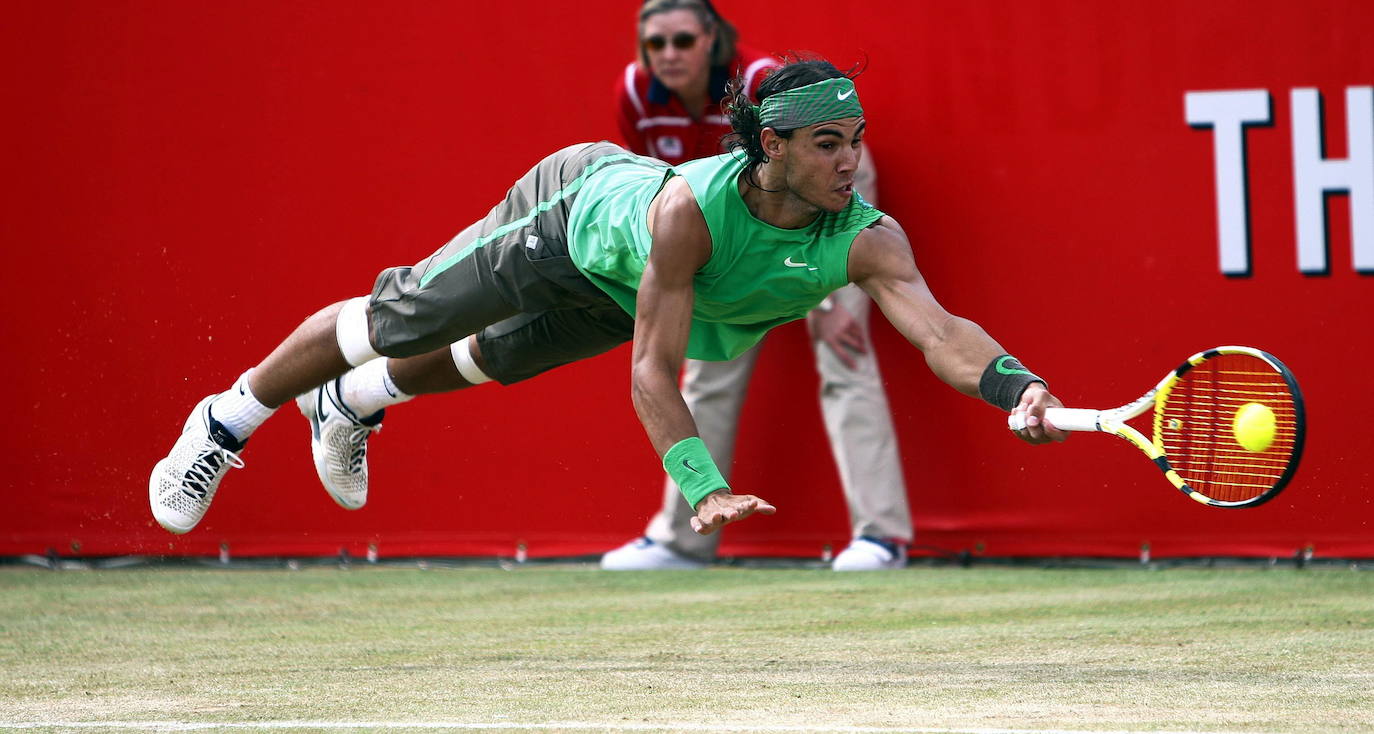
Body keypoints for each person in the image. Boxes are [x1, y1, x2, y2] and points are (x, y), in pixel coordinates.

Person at [148, 58, 1068, 544]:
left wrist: (1014, 387)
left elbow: (943, 335)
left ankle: (346, 407)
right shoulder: (690, 216)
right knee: (404, 321)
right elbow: (653, 373)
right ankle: (224, 422)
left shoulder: (868, 237)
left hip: (622, 283)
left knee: (490, 360)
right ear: (772, 148)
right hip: (575, 216)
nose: (849, 161)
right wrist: (701, 489)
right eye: (828, 144)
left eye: (856, 141)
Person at [602, 0, 914, 571]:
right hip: (720, 214)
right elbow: (655, 186)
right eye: (655, 44)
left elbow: (817, 166)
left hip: (824, 196)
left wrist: (821, 294)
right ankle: (683, 537)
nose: (667, 56)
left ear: (713, 41)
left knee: (845, 349)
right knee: (705, 359)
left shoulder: (763, 83)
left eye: (683, 41)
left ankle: (882, 536)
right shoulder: (635, 92)